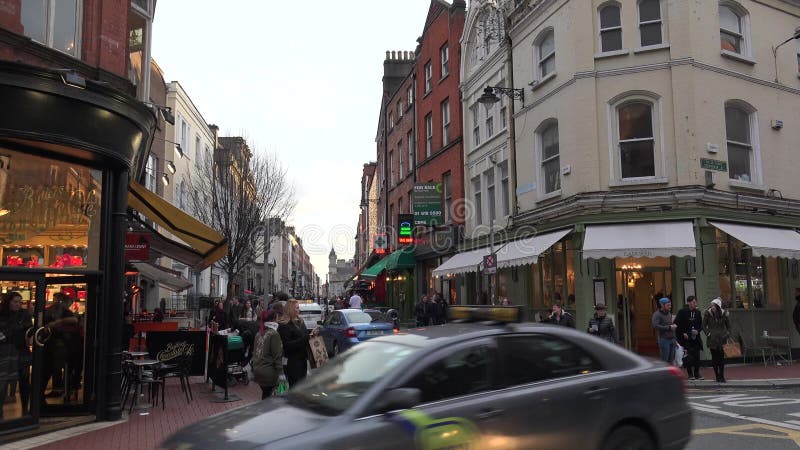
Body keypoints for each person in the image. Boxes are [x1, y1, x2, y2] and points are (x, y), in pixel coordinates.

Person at [0, 292, 31, 417]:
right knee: (2, 381)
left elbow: (29, 331)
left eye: (20, 301)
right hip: (5, 351)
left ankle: (25, 409)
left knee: (24, 379)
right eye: (15, 301)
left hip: (20, 351)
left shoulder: (24, 314)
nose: (18, 304)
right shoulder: (2, 315)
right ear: (8, 302)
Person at [277, 299, 317, 388]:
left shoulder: (300, 321)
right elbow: (287, 345)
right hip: (292, 362)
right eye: (297, 308)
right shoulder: (284, 325)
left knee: (302, 386)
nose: (299, 310)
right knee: (294, 387)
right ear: (291, 309)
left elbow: (305, 337)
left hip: (302, 359)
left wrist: (312, 336)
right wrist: (306, 338)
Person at [252, 310, 284, 399]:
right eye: (277, 318)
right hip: (268, 373)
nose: (278, 320)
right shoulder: (274, 334)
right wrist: (281, 374)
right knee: (273, 396)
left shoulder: (259, 333)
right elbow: (277, 356)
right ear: (274, 319)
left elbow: (254, 353)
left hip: (258, 371)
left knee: (266, 395)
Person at [675, 295, 704, 380]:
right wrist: (682, 333)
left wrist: (698, 331)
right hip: (686, 338)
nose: (695, 304)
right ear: (689, 303)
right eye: (693, 302)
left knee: (697, 356)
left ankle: (697, 373)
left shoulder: (698, 313)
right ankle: (690, 374)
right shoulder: (682, 312)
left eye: (696, 302)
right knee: (688, 357)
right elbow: (677, 324)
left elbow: (700, 325)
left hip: (695, 338)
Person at [703, 298, 731, 383]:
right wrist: (708, 333)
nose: (712, 307)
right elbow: (703, 325)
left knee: (721, 359)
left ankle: (722, 376)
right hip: (712, 339)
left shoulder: (724, 314)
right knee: (714, 358)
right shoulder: (708, 314)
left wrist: (727, 334)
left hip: (722, 338)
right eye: (711, 306)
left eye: (714, 306)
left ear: (718, 307)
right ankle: (717, 376)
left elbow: (729, 326)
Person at [652, 297, 677, 364]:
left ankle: (669, 374)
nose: (670, 307)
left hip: (672, 339)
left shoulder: (669, 314)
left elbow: (670, 325)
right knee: (664, 361)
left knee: (671, 360)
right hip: (664, 339)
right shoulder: (657, 315)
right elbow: (655, 326)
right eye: (668, 305)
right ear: (662, 305)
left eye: (670, 305)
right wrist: (669, 327)